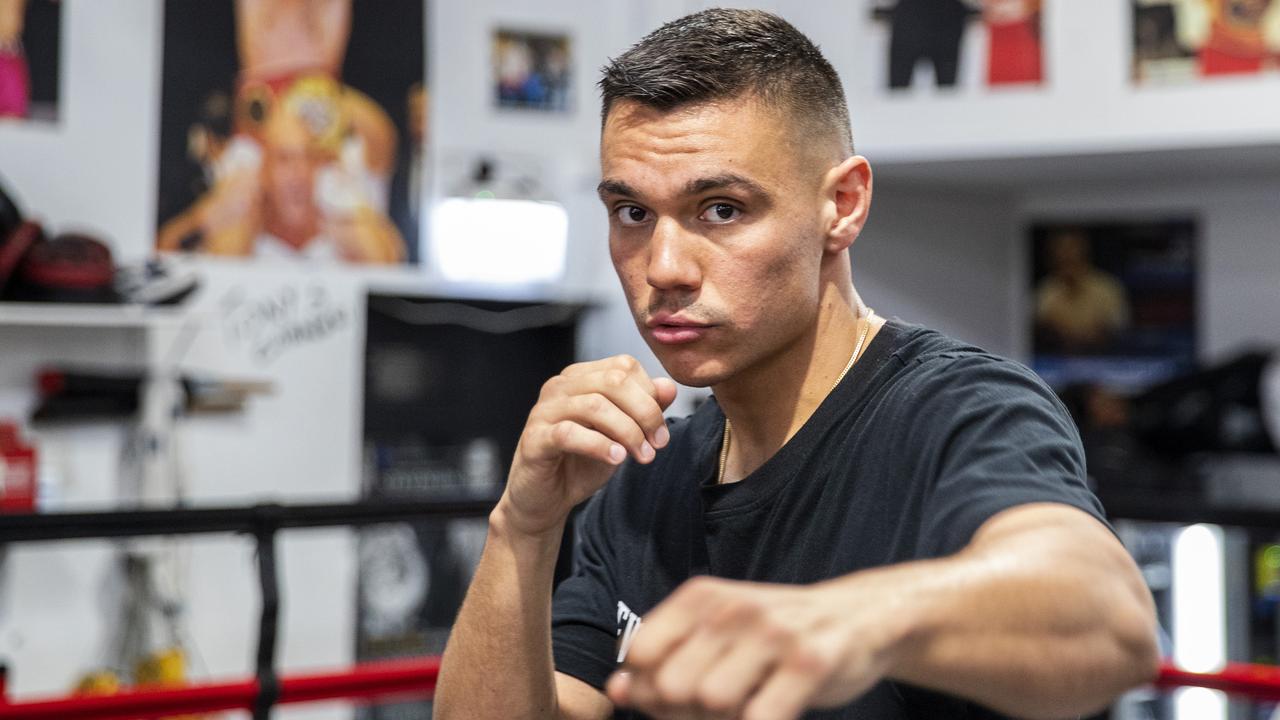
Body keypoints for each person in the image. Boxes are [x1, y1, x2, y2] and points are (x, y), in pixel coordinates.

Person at [436, 9, 1159, 720]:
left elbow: (1109, 618)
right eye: (632, 213)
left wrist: (853, 623)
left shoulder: (957, 407)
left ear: (841, 205)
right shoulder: (645, 475)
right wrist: (522, 528)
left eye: (720, 209)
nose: (663, 267)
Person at [1034, 228, 1130, 354]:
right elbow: (1040, 329)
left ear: (1084, 254)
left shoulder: (1107, 288)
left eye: (1072, 252)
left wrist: (1092, 336)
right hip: (1058, 357)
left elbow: (1118, 328)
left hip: (1103, 357)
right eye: (1062, 254)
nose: (1067, 256)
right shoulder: (1045, 291)